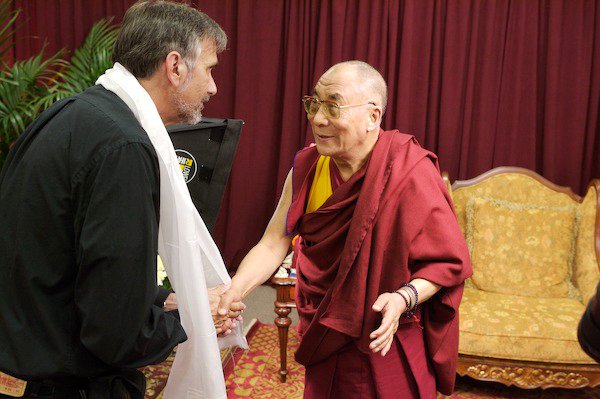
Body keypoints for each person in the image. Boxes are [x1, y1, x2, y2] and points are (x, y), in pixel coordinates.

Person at [0, 1, 243, 398]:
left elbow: (73, 263)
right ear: (176, 65)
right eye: (211, 68)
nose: (214, 86)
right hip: (82, 383)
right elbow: (114, 332)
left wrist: (169, 300)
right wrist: (194, 317)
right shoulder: (124, 146)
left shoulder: (74, 113)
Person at [218, 60, 472, 398]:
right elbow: (273, 241)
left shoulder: (410, 172)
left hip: (386, 336)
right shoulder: (307, 165)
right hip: (326, 329)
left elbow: (448, 264)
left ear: (373, 116)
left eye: (333, 106)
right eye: (314, 103)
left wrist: (403, 298)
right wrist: (233, 292)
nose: (318, 118)